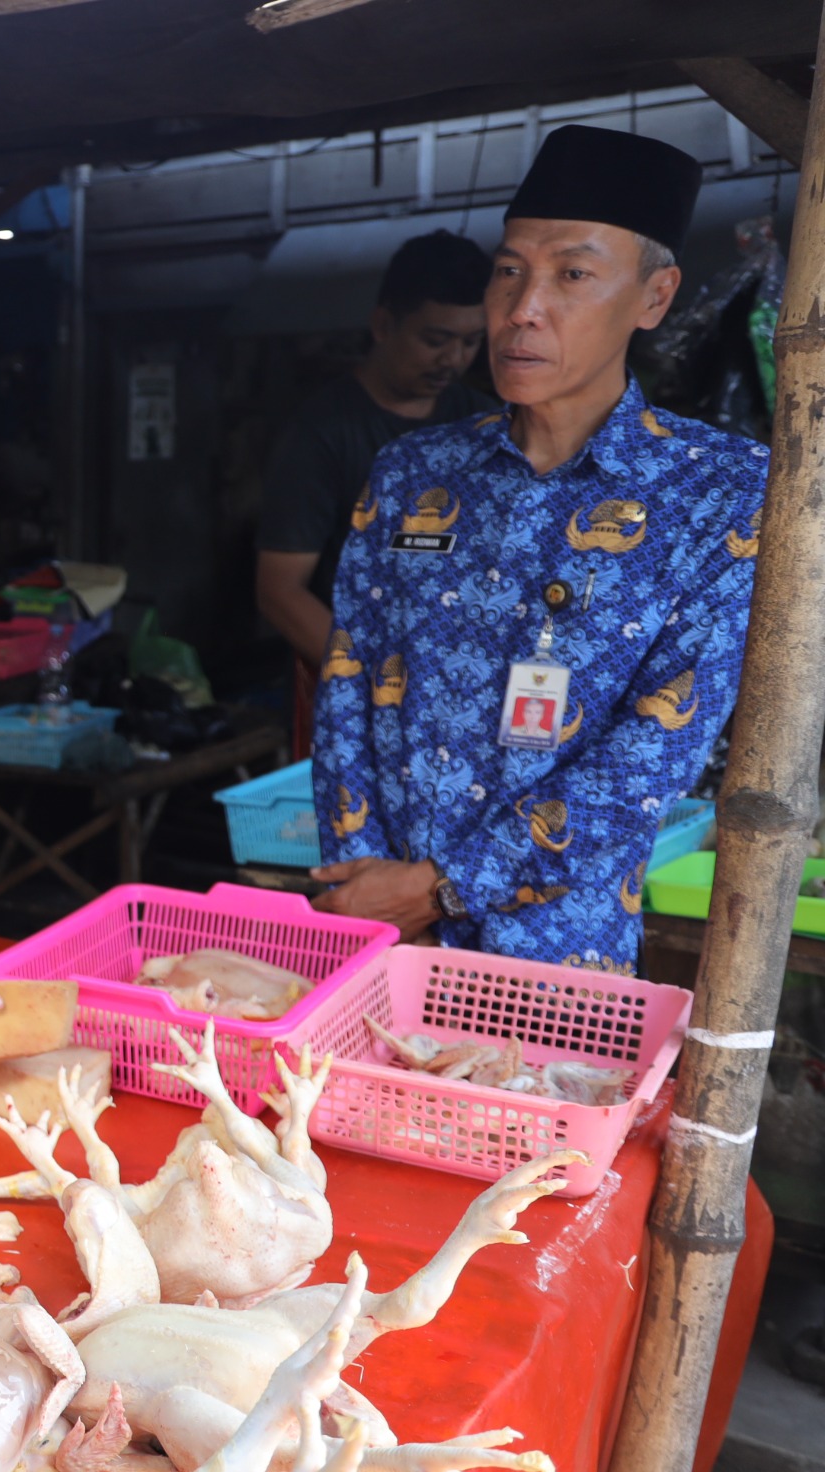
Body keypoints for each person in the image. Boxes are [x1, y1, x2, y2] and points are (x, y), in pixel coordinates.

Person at [312, 126, 764, 973]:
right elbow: (348, 680)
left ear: (654, 297)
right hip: (378, 937)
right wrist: (367, 882)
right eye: (510, 270)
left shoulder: (721, 493)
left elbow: (651, 757)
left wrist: (443, 886)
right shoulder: (414, 472)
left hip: (558, 954)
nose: (523, 308)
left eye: (573, 275)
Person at [255, 230, 492, 753]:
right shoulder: (321, 432)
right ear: (384, 324)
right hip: (351, 692)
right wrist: (377, 684)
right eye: (435, 339)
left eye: (471, 341)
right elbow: (279, 590)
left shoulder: (484, 423)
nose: (452, 358)